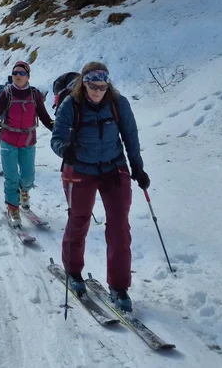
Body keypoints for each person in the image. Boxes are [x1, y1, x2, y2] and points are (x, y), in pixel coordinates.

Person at [50, 63, 148, 313]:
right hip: (80, 168)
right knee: (79, 219)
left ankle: (119, 286)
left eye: (102, 87)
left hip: (114, 168)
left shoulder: (118, 103)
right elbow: (57, 137)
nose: (97, 91)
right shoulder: (70, 105)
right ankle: (73, 271)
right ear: (84, 83)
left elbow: (131, 136)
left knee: (119, 225)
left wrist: (137, 168)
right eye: (92, 86)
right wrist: (64, 149)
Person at [0, 60, 54, 227]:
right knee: (11, 178)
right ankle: (12, 207)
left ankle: (23, 192)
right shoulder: (7, 93)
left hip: (28, 141)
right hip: (8, 140)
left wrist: (56, 128)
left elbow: (45, 116)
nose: (18, 76)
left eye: (22, 73)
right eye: (15, 73)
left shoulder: (35, 94)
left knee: (27, 176)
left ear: (28, 76)